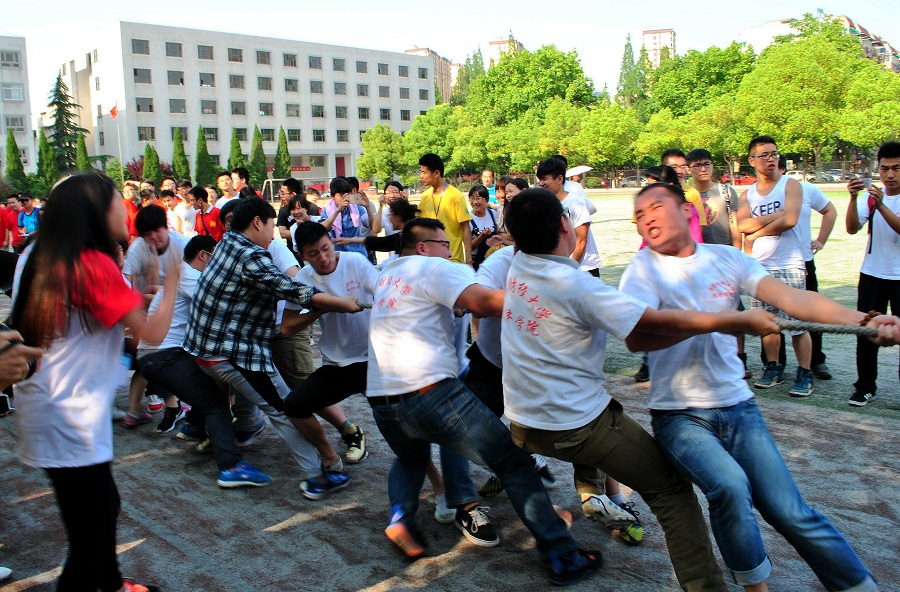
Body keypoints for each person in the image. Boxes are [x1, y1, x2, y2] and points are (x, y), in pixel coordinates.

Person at [500, 187, 786, 591]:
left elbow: (647, 331)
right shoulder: (578, 286)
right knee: (671, 490)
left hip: (522, 423)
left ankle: (592, 493)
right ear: (565, 225)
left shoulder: (517, 263)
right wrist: (729, 320)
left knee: (594, 418)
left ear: (515, 238)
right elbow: (649, 324)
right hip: (573, 425)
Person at [620, 181, 881, 592]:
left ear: (686, 211)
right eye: (639, 215)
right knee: (729, 485)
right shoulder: (643, 269)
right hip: (679, 415)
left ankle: (858, 585)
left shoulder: (725, 258)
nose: (646, 218)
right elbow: (638, 337)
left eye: (655, 207)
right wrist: (730, 321)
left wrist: (866, 321)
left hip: (740, 407)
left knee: (789, 510)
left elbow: (795, 300)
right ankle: (755, 587)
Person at [367, 216, 601, 585]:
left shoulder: (387, 275)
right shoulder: (433, 267)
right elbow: (485, 302)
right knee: (513, 463)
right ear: (424, 247)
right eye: (444, 245)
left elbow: (446, 306)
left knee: (410, 457)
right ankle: (562, 556)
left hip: (382, 400)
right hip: (430, 393)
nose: (450, 252)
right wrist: (555, 300)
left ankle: (400, 519)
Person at [11, 171, 164, 592]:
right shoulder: (90, 262)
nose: (124, 210)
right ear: (94, 211)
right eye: (117, 201)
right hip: (70, 412)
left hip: (49, 403)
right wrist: (171, 282)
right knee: (90, 533)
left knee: (96, 511)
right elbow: (151, 332)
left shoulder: (39, 252)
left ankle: (111, 585)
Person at [183, 198, 364, 492]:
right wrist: (338, 302)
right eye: (270, 226)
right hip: (230, 351)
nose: (273, 234)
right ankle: (317, 475)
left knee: (266, 400)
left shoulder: (227, 242)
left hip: (207, 348)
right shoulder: (250, 254)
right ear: (258, 222)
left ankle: (250, 433)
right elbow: (288, 288)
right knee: (286, 409)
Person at [736, 135, 814, 397]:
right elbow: (742, 225)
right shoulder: (747, 195)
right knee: (767, 323)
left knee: (798, 324)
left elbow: (790, 220)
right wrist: (776, 215)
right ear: (752, 161)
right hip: (761, 267)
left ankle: (805, 372)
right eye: (764, 155)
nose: (771, 159)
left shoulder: (791, 185)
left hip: (790, 263)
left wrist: (757, 232)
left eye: (774, 154)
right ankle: (773, 367)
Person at [686, 148, 752, 378]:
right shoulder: (687, 194)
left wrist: (737, 252)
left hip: (723, 257)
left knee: (734, 308)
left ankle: (740, 359)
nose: (702, 169)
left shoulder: (725, 191)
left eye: (706, 164)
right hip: (698, 260)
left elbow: (735, 224)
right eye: (697, 165)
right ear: (689, 169)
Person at [845, 140, 900, 406]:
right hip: (873, 274)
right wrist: (853, 198)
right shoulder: (871, 197)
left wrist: (881, 206)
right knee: (867, 331)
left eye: (896, 168)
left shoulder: (878, 201)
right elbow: (852, 228)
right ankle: (865, 386)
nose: (890, 175)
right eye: (885, 168)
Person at [776, 155, 837, 381]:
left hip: (802, 261)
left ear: (784, 169)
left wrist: (821, 240)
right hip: (772, 263)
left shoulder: (806, 189)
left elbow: (830, 211)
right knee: (772, 315)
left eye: (778, 167)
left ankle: (815, 360)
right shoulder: (759, 193)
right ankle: (775, 363)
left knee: (810, 313)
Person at [535, 157, 601, 276]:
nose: (541, 183)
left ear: (559, 179)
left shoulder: (575, 203)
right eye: (540, 180)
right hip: (558, 269)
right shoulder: (545, 204)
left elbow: (581, 240)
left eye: (544, 179)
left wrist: (569, 268)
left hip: (583, 268)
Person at [319, 177, 370, 258]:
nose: (345, 198)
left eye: (347, 195)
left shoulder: (356, 207)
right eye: (341, 195)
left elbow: (372, 226)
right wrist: (338, 211)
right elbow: (322, 229)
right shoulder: (327, 210)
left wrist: (368, 207)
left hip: (358, 254)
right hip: (338, 256)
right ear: (333, 196)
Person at [467, 184, 497, 270]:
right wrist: (482, 236)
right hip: (478, 264)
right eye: (472, 198)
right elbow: (468, 247)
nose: (475, 202)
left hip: (495, 261)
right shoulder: (468, 220)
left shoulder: (493, 214)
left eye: (479, 198)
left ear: (487, 200)